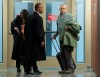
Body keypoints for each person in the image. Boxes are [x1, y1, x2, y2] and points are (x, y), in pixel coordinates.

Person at [52, 4, 80, 74]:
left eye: (63, 8)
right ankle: (65, 68)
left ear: (66, 9)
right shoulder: (58, 17)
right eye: (61, 8)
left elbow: (76, 26)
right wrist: (55, 35)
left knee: (67, 54)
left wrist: (69, 28)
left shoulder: (69, 16)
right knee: (62, 54)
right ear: (59, 9)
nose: (62, 9)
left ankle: (71, 68)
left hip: (67, 39)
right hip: (61, 39)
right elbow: (58, 28)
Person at [24, 3, 46, 75]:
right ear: (38, 8)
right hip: (35, 40)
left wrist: (26, 38)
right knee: (33, 55)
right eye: (42, 8)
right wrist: (42, 40)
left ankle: (34, 69)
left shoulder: (29, 16)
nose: (42, 9)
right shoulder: (38, 18)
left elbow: (26, 29)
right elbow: (39, 30)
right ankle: (29, 70)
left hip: (29, 40)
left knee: (31, 55)